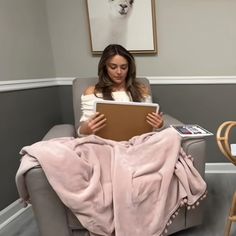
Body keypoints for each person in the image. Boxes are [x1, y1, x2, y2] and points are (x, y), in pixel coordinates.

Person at [78, 44, 164, 136]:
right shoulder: (92, 92)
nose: (119, 72)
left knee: (172, 135)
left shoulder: (142, 90)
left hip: (138, 142)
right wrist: (86, 129)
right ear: (105, 67)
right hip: (104, 144)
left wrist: (159, 125)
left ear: (129, 68)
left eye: (123, 67)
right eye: (113, 67)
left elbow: (150, 130)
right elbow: (82, 131)